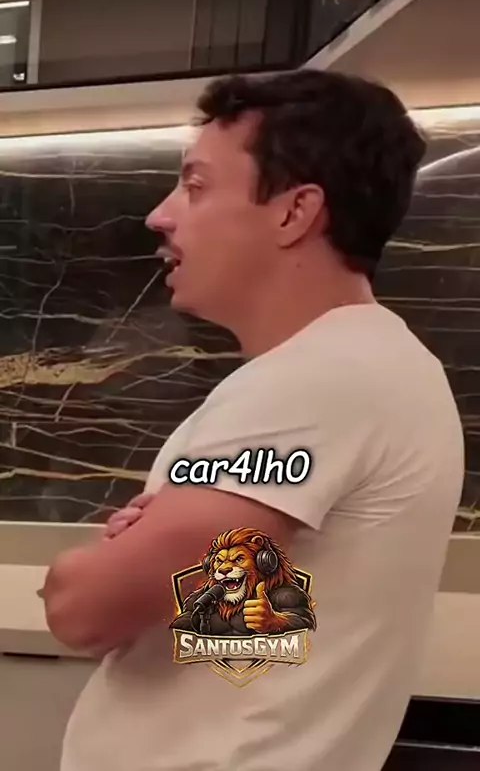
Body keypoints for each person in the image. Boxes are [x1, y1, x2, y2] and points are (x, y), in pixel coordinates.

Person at [43, 70, 464, 771]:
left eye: (196, 186)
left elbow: (84, 612)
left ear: (295, 213)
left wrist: (82, 569)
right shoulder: (370, 367)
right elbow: (242, 641)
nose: (160, 215)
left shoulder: (317, 382)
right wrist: (159, 558)